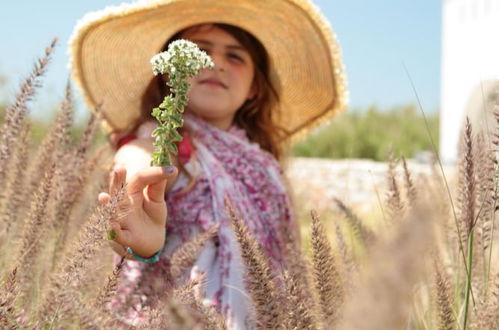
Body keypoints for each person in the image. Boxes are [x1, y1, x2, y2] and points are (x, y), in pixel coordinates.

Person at [69, 0, 347, 328]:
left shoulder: (267, 166)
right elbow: (144, 158)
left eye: (235, 55)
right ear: (169, 73)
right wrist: (133, 197)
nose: (216, 63)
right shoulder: (171, 139)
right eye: (200, 50)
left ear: (255, 86)